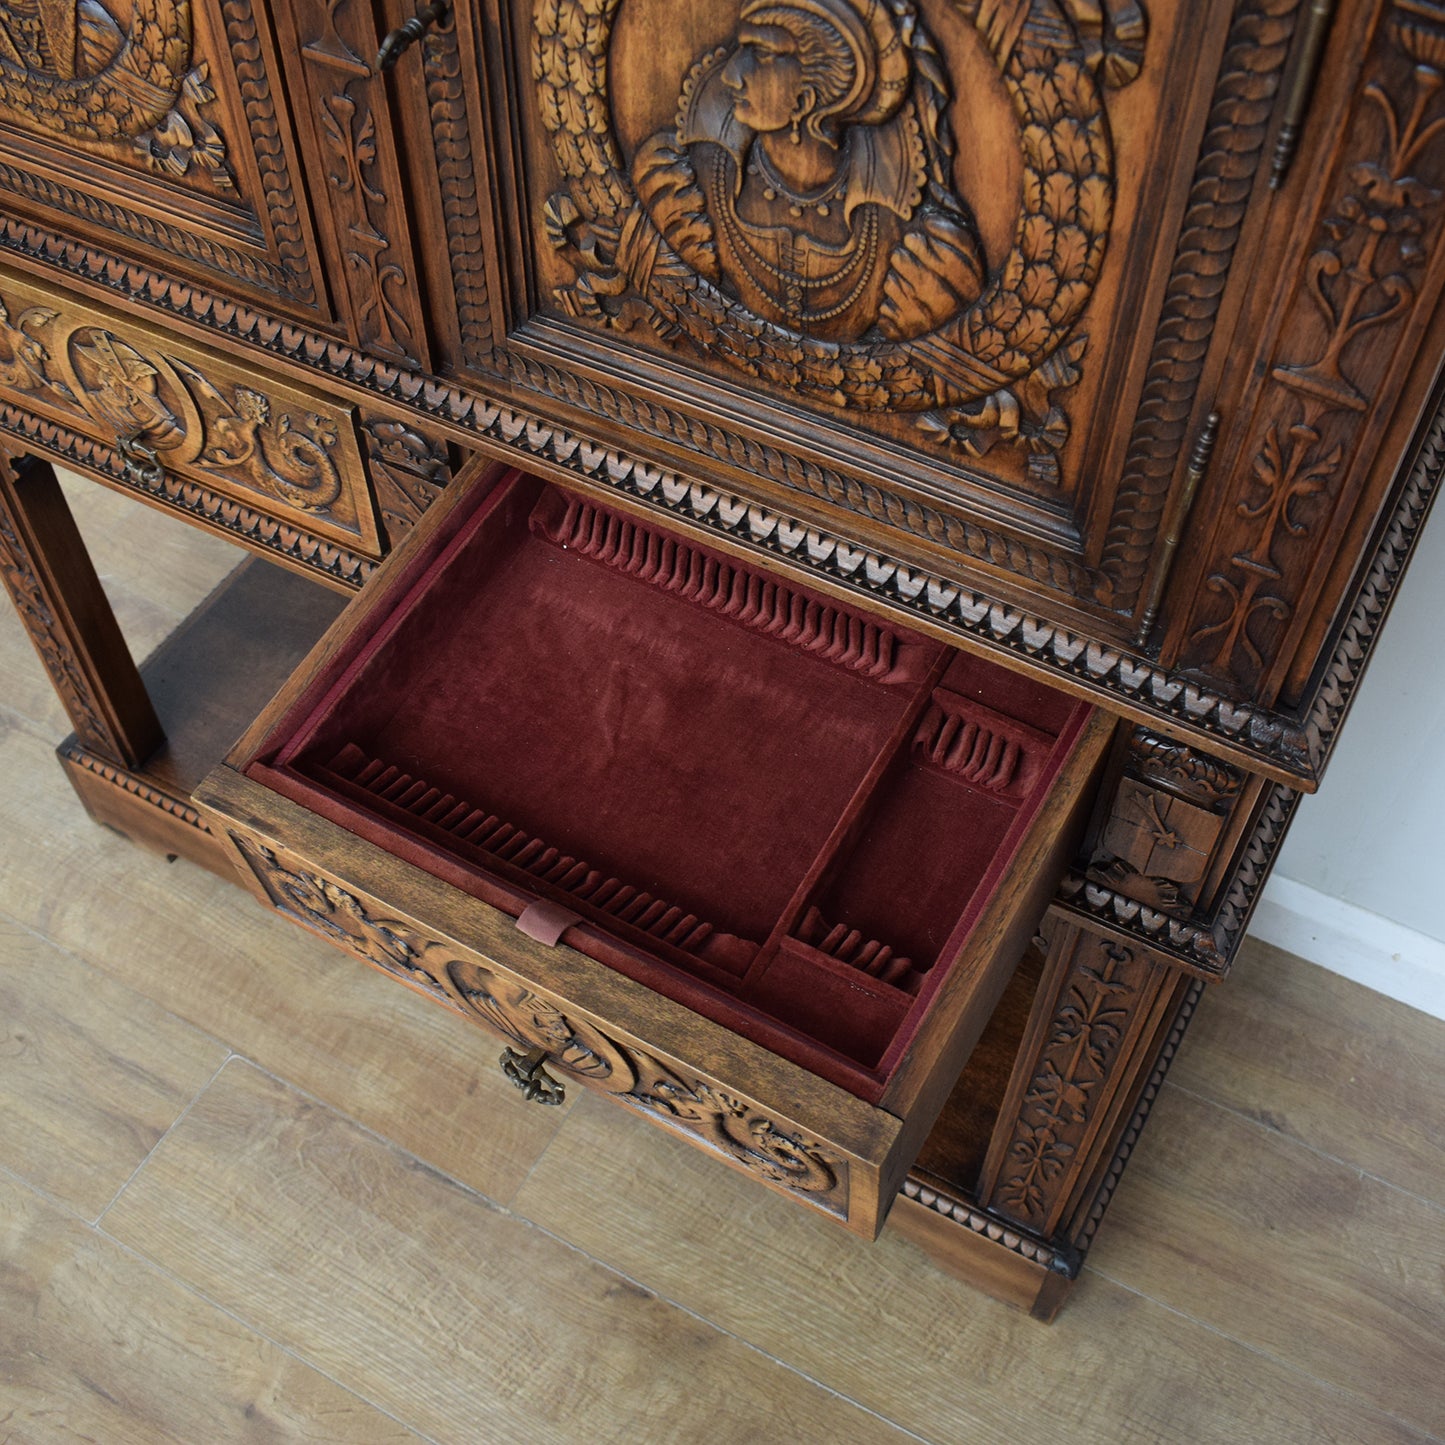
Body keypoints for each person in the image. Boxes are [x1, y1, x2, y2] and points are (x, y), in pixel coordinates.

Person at [632, 0, 985, 344]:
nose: (731, 75)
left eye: (764, 54)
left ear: (821, 86)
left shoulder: (917, 251)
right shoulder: (684, 186)